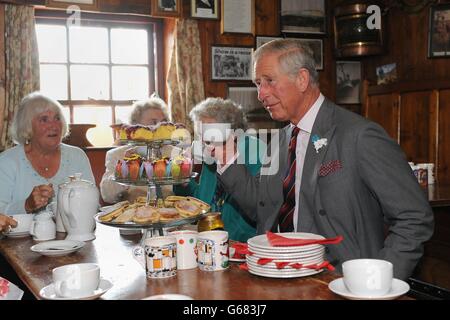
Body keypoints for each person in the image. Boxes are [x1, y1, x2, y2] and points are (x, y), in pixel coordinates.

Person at [213, 39, 434, 280]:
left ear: (302, 79)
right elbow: (261, 206)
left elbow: (414, 216)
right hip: (278, 278)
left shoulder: (359, 135)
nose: (261, 94)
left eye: (269, 81)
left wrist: (379, 279)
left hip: (342, 284)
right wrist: (228, 158)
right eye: (258, 84)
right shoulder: (279, 139)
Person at [174, 98, 265, 243]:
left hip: (244, 244)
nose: (203, 141)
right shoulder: (211, 155)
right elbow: (202, 201)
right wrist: (184, 181)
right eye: (200, 134)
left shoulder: (255, 150)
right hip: (210, 241)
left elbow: (258, 204)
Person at [0, 92, 95, 215]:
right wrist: (26, 205)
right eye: (44, 119)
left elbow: (93, 203)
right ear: (27, 126)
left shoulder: (77, 156)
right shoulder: (7, 162)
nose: (54, 126)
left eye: (57, 118)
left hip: (73, 233)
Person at [100, 95, 171, 204]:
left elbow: (186, 190)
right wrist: (125, 169)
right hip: (133, 216)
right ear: (136, 126)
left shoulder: (175, 153)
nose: (160, 126)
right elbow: (107, 195)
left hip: (171, 216)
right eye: (154, 122)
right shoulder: (117, 155)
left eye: (164, 122)